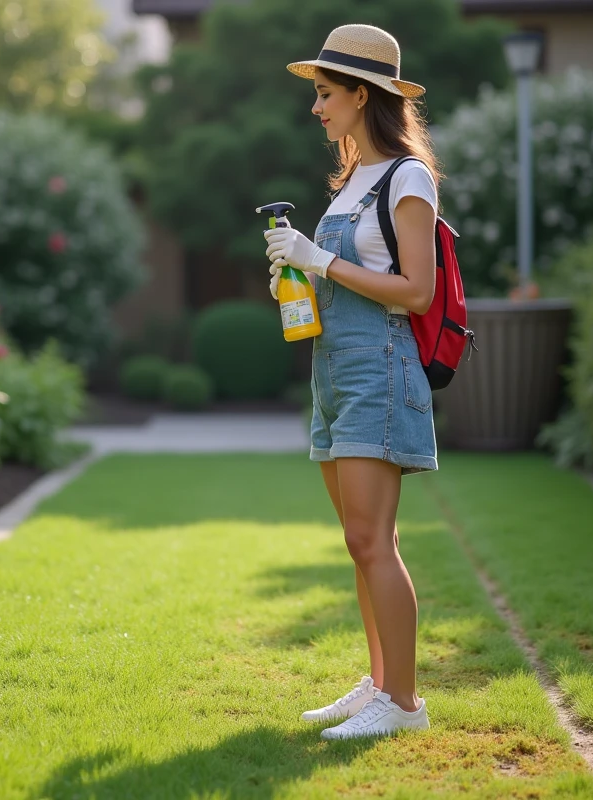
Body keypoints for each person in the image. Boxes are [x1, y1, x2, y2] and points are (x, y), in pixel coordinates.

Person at [263, 23, 439, 740]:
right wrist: (294, 272)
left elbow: (417, 291)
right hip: (332, 374)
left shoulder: (408, 178)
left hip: (380, 370)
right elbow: (344, 277)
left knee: (376, 542)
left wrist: (323, 261)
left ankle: (404, 706)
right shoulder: (349, 182)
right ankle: (378, 686)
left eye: (326, 94)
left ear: (363, 96)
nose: (317, 108)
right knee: (358, 541)